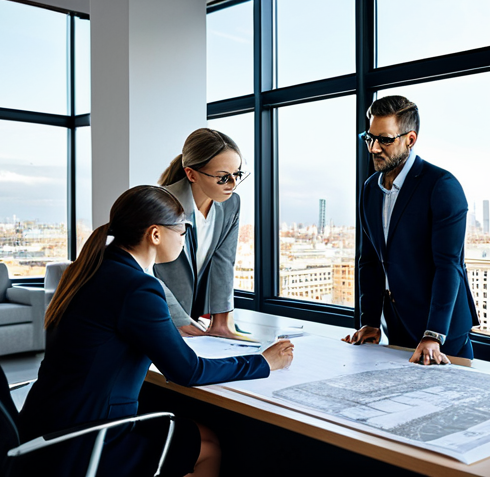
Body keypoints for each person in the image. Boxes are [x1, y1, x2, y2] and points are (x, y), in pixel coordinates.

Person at [17, 185, 294, 477]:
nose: (185, 240)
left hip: (42, 429)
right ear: (155, 234)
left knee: (190, 430)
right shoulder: (137, 287)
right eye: (182, 231)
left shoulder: (91, 269)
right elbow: (187, 372)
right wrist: (264, 362)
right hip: (88, 438)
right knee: (208, 445)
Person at [343, 95, 479, 365]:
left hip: (442, 330)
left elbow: (448, 266)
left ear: (410, 139)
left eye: (385, 139)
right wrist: (370, 322)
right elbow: (369, 261)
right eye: (370, 138)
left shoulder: (442, 185)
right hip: (396, 325)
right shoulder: (370, 189)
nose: (373, 148)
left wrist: (433, 334)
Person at [157, 128, 251, 340]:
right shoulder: (159, 204)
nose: (233, 185)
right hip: (156, 316)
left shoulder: (231, 204)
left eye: (237, 174)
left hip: (194, 321)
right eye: (223, 178)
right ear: (191, 174)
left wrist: (221, 322)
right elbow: (144, 271)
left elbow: (224, 262)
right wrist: (178, 320)